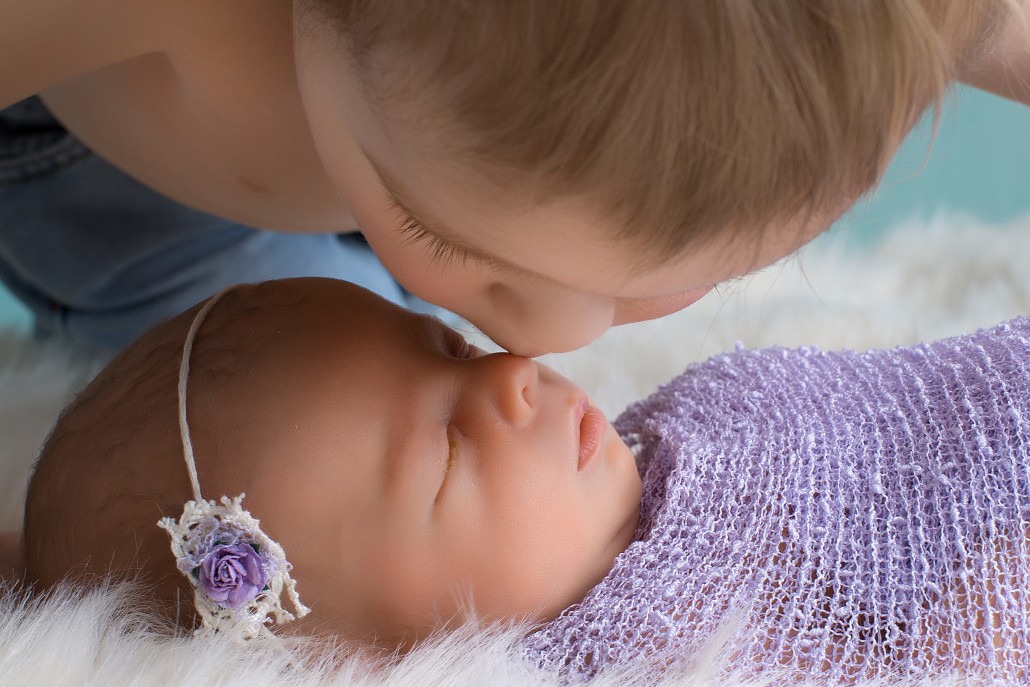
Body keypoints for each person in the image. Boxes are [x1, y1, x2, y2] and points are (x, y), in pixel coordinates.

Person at [18, 278, 1030, 683]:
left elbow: (906, 417)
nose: (511, 376)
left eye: (454, 350)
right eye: (450, 448)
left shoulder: (677, 432)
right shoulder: (638, 652)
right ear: (371, 661)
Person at [2, 2, 1028, 357]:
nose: (546, 342)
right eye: (444, 241)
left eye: (682, 277)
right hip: (131, 186)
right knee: (293, 486)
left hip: (361, 143)